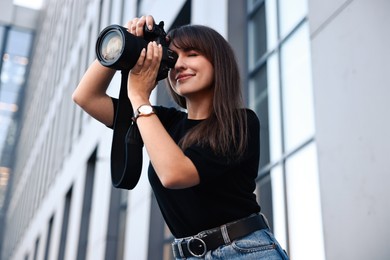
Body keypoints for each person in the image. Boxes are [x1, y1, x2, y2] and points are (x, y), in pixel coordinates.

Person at [73, 15, 288, 260]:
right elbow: (86, 97)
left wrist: (140, 98)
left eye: (192, 54)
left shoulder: (241, 122)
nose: (179, 65)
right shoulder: (163, 122)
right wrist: (125, 41)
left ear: (219, 62)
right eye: (173, 57)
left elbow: (175, 174)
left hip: (245, 250)